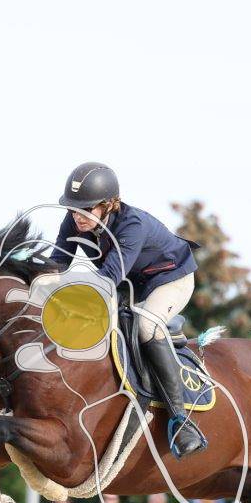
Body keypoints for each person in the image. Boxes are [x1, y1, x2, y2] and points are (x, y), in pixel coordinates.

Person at [50, 162, 205, 459]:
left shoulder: (132, 226)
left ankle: (181, 420)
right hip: (133, 285)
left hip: (170, 279)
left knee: (146, 326)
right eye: (72, 209)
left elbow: (108, 278)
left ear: (108, 205)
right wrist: (28, 279)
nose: (77, 216)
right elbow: (57, 263)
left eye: (86, 209)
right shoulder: (74, 221)